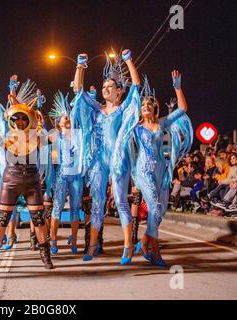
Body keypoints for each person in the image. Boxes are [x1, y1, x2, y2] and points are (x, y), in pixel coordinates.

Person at [113, 71, 192, 266]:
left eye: (149, 105)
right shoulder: (136, 127)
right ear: (140, 111)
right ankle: (153, 251)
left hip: (161, 172)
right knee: (154, 207)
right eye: (143, 105)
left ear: (154, 109)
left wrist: (177, 86)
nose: (146, 106)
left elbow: (182, 108)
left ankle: (146, 242)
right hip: (143, 171)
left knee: (160, 210)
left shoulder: (162, 123)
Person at [71, 49, 141, 261]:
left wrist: (129, 61)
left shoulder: (122, 108)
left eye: (110, 86)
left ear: (119, 92)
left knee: (120, 199)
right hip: (98, 160)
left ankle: (128, 245)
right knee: (97, 202)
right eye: (104, 86)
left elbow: (136, 87)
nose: (106, 89)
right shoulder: (96, 109)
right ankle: (92, 246)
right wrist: (80, 67)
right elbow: (78, 90)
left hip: (118, 159)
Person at [0, 76, 54, 270]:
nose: (20, 121)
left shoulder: (37, 137)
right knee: (2, 219)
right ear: (12, 120)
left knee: (38, 219)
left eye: (24, 117)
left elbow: (53, 140)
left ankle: (45, 256)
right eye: (17, 118)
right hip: (10, 181)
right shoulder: (5, 137)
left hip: (32, 181)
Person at [48, 91, 83, 254]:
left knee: (75, 208)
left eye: (69, 115)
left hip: (76, 176)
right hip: (61, 175)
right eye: (64, 116)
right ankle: (53, 241)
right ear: (59, 123)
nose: (67, 117)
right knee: (58, 208)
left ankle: (74, 241)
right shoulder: (55, 137)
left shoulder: (79, 135)